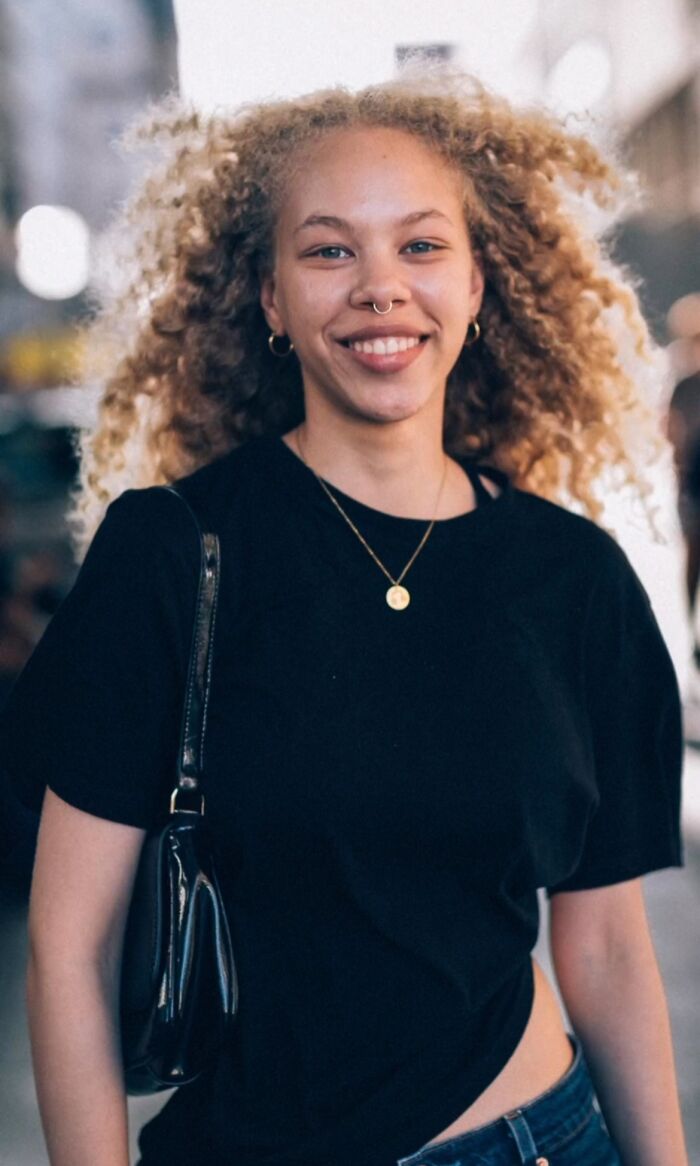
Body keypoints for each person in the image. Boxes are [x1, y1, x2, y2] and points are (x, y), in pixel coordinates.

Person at [0, 71, 689, 1166]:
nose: (380, 287)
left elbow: (603, 947)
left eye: (420, 247)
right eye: (329, 250)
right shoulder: (173, 553)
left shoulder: (573, 580)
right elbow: (69, 946)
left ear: (476, 283)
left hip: (537, 1139)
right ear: (271, 299)